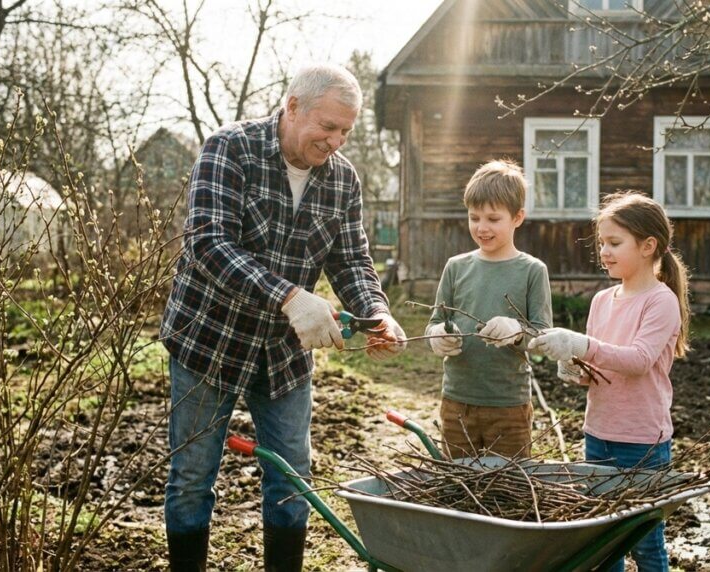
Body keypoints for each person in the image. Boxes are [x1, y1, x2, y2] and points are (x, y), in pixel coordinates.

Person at [159, 63, 407, 572]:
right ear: (292, 107)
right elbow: (207, 242)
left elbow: (351, 260)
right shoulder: (230, 149)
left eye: (346, 131)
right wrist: (290, 296)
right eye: (328, 126)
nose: (336, 141)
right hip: (210, 342)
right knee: (191, 478)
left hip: (283, 355)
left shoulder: (343, 181)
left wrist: (376, 311)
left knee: (293, 479)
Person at [528, 191, 691, 572]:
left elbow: (637, 361)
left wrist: (583, 344)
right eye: (601, 242)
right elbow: (598, 365)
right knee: (604, 542)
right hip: (597, 433)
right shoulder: (602, 300)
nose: (604, 251)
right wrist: (574, 366)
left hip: (641, 442)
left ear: (649, 246)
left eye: (615, 243)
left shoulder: (660, 301)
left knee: (645, 542)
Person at [425, 160, 552, 460]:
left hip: (509, 405)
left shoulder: (532, 270)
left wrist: (517, 331)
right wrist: (437, 336)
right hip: (457, 401)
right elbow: (435, 321)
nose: (482, 227)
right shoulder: (456, 267)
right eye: (474, 217)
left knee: (508, 489)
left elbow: (543, 336)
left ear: (518, 217)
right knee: (458, 484)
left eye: (493, 219)